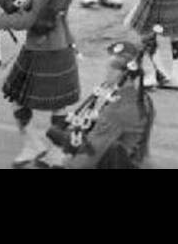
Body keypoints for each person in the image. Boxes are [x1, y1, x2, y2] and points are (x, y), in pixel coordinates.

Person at [0, 0, 81, 167]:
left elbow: (29, 19)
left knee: (18, 97)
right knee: (60, 103)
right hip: (63, 40)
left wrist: (1, 19)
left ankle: (33, 143)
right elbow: (55, 8)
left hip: (40, 46)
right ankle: (55, 153)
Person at [45, 39, 155, 169]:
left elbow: (91, 153)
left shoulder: (117, 110)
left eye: (108, 70)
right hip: (134, 158)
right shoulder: (143, 98)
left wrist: (64, 162)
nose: (106, 74)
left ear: (120, 74)